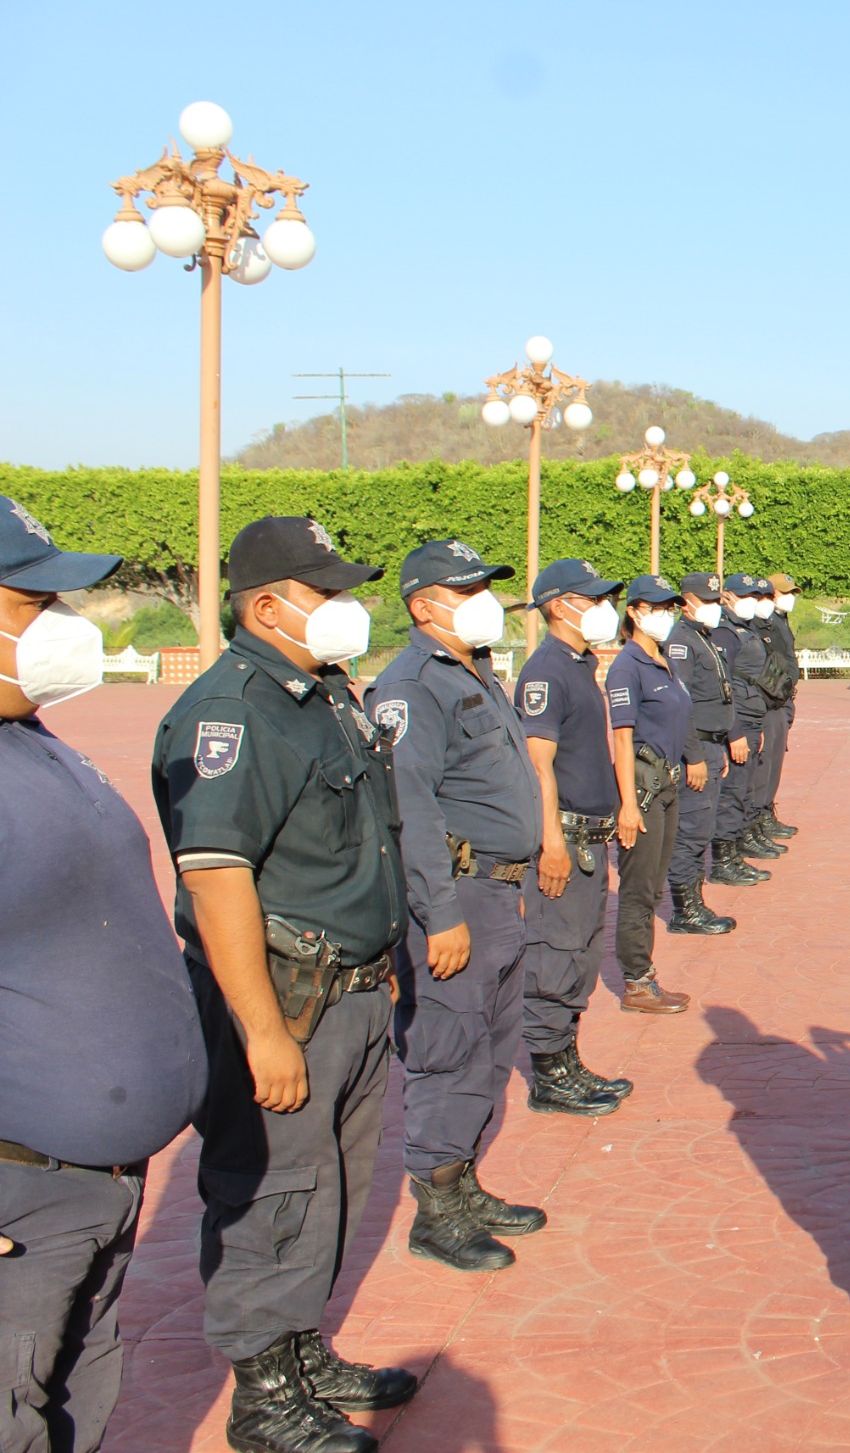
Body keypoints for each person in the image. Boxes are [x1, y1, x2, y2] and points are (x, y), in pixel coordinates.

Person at [150, 516, 416, 1453]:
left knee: (330, 1184)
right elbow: (217, 875)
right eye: (327, 593)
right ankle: (263, 1395)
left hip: (348, 993)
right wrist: (262, 1030)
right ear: (266, 606)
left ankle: (302, 1351)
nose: (347, 609)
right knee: (272, 1191)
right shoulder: (233, 712)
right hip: (288, 1001)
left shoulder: (318, 695)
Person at [0, 500, 205, 1453]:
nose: (59, 626)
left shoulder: (33, 736)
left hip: (94, 1184)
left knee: (74, 1401)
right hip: (21, 1195)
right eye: (31, 601)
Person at [364, 541, 548, 1275]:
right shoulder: (411, 686)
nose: (484, 598)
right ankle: (436, 1210)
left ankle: (464, 1185)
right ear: (422, 606)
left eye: (485, 585)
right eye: (466, 587)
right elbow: (411, 806)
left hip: (502, 891)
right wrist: (440, 911)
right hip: (458, 894)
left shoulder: (475, 669)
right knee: (447, 1047)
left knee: (491, 1046)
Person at [514, 558, 631, 1118]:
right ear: (560, 606)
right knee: (555, 954)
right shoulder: (546, 672)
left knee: (581, 953)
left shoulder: (578, 664)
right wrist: (550, 844)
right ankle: (547, 1074)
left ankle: (567, 1061)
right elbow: (540, 767)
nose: (604, 607)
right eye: (592, 598)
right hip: (564, 838)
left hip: (591, 836)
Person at [607, 575, 703, 1014]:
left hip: (666, 784)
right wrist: (627, 805)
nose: (665, 613)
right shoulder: (627, 666)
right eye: (656, 606)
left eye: (670, 606)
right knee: (639, 888)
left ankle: (644, 975)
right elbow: (621, 739)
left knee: (652, 887)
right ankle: (637, 983)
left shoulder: (663, 660)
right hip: (642, 790)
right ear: (634, 612)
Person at [660, 574, 740, 932]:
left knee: (701, 827)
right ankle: (685, 910)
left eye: (714, 599)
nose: (713, 607)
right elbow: (682, 705)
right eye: (705, 600)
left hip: (710, 744)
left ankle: (695, 902)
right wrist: (693, 756)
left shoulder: (701, 638)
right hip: (695, 749)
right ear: (686, 602)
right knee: (691, 830)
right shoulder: (681, 643)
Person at [706, 573, 772, 886]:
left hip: (751, 716)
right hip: (739, 721)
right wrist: (734, 732)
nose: (752, 601)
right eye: (745, 595)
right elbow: (725, 685)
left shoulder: (742, 629)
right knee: (732, 793)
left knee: (742, 790)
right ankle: (722, 861)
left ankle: (734, 852)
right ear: (727, 596)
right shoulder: (724, 632)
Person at [753, 571, 803, 840]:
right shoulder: (765, 622)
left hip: (782, 698)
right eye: (785, 594)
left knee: (775, 760)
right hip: (771, 699)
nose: (789, 599)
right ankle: (759, 816)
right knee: (765, 763)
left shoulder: (780, 620)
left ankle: (766, 811)